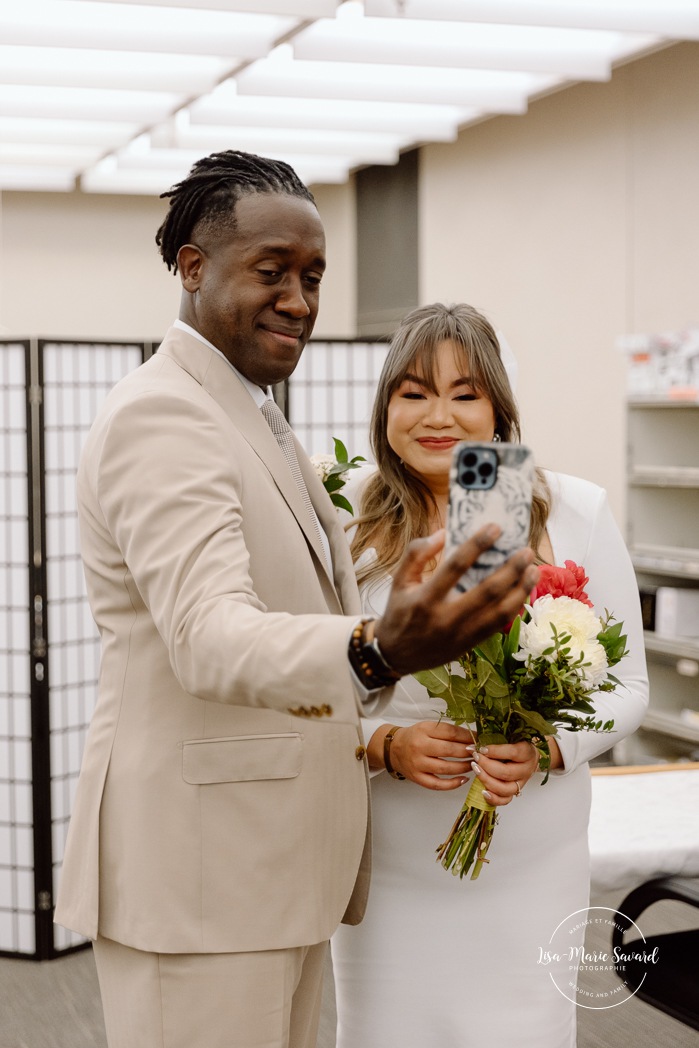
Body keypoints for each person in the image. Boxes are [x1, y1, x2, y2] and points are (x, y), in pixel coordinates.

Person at [53, 155, 540, 1048]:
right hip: (204, 885)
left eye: (312, 276)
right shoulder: (164, 416)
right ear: (193, 268)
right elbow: (208, 635)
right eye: (270, 271)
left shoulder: (248, 411)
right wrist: (378, 649)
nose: (299, 300)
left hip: (267, 873)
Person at [331, 302, 649, 1048]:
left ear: (497, 408)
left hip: (529, 862)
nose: (437, 415)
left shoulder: (572, 509)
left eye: (463, 393)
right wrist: (383, 744)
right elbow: (307, 697)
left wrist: (548, 747)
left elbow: (629, 686)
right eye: (413, 392)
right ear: (385, 410)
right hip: (392, 866)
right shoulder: (347, 529)